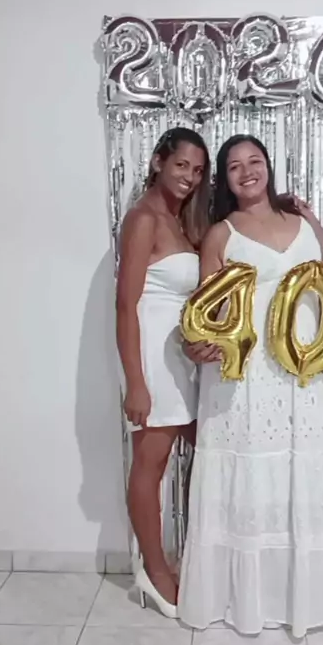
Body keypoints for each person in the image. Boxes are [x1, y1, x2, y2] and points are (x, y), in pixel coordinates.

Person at [178, 134, 323, 639]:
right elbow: (206, 309)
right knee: (251, 477)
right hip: (245, 380)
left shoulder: (303, 221)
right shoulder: (222, 234)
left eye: (254, 161)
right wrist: (196, 344)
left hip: (300, 372)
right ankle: (242, 601)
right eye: (235, 166)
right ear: (225, 179)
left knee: (299, 472)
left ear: (268, 166)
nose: (247, 171)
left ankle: (304, 600)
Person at [116, 126, 210, 619]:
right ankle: (153, 572)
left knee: (206, 452)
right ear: (158, 162)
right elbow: (125, 306)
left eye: (197, 170)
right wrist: (136, 382)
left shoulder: (179, 221)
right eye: (181, 165)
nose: (189, 177)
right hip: (152, 358)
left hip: (181, 361)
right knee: (150, 465)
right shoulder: (143, 219)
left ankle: (186, 559)